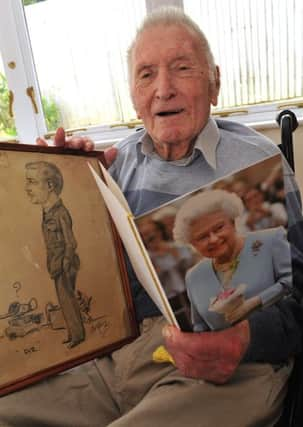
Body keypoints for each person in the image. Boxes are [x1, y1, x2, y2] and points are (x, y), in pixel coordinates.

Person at [1, 6, 303, 427]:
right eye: (146, 74)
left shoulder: (260, 164)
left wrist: (246, 339)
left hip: (224, 363)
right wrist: (76, 184)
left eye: (182, 68)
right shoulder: (114, 166)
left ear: (214, 82)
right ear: (133, 95)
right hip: (114, 359)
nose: (163, 89)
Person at [173, 189, 292, 331]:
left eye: (219, 228)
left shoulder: (271, 240)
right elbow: (200, 326)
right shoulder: (193, 276)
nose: (213, 239)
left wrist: (257, 302)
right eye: (202, 237)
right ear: (192, 244)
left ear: (232, 222)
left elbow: (293, 280)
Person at [25, 161, 85, 348]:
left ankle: (77, 335)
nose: (27, 188)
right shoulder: (47, 212)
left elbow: (71, 242)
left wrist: (66, 262)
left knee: (68, 300)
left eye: (32, 182)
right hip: (56, 264)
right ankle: (73, 333)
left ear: (50, 185)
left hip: (64, 264)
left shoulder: (60, 213)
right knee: (64, 300)